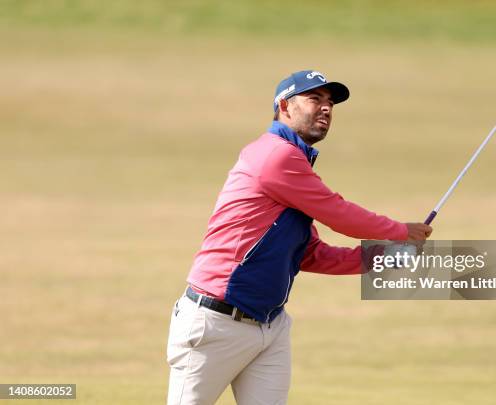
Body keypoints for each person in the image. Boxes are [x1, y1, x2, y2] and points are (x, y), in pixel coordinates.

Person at [166, 70, 433, 405]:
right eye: (314, 99)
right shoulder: (275, 156)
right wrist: (400, 231)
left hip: (270, 326)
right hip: (215, 323)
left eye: (330, 103)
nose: (326, 109)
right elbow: (338, 213)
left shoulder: (296, 169)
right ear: (284, 107)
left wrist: (383, 256)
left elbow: (311, 254)